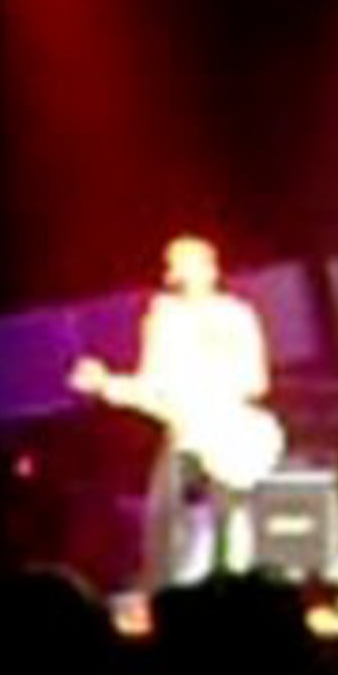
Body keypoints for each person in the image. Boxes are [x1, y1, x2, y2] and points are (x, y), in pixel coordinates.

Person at [71, 236, 279, 618]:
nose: (180, 273)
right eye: (174, 265)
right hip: (186, 437)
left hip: (230, 440)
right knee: (166, 528)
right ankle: (166, 607)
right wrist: (106, 385)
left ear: (211, 268)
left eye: (189, 262)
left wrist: (205, 383)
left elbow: (255, 380)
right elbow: (153, 389)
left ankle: (234, 607)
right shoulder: (164, 318)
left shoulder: (236, 316)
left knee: (231, 530)